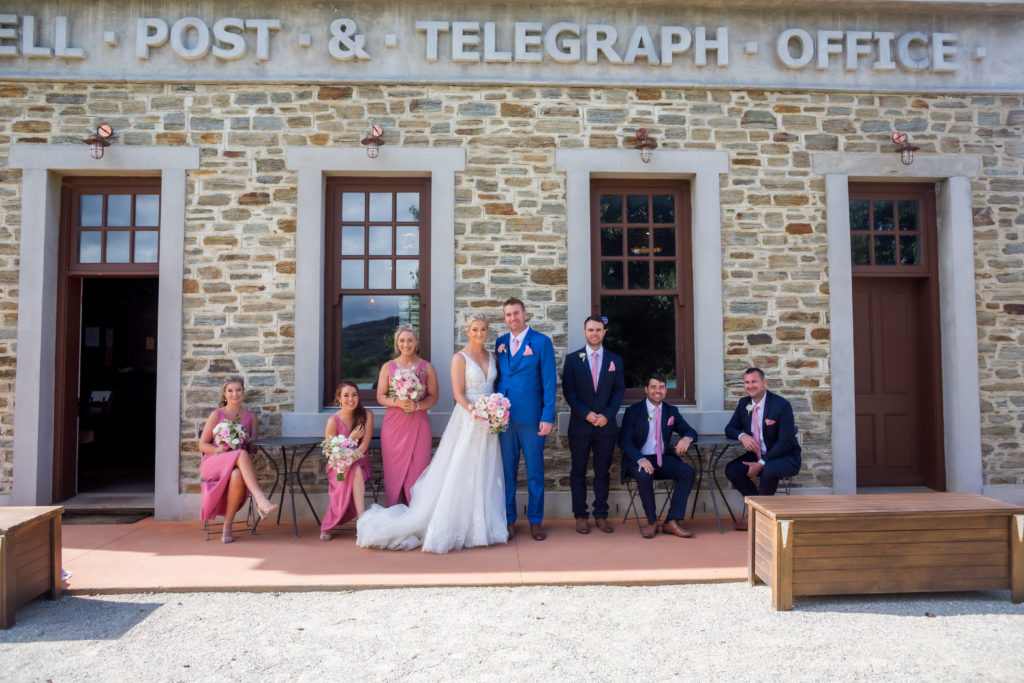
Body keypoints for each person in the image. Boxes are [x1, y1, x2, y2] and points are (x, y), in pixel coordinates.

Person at [356, 314, 508, 554]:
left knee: (484, 469)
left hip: (489, 422)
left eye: (483, 329)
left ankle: (482, 525)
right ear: (467, 331)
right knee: (460, 468)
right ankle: (448, 522)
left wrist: (495, 411)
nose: (480, 333)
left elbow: (489, 388)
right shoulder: (459, 358)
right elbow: (458, 394)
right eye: (475, 329)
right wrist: (477, 413)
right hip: (469, 418)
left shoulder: (493, 357)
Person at [494, 297, 557, 541]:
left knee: (534, 471)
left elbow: (549, 383)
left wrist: (547, 415)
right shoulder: (500, 343)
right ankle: (509, 520)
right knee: (507, 472)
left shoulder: (541, 342)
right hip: (504, 420)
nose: (513, 318)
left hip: (532, 419)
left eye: (516, 313)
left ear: (525, 313)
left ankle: (535, 521)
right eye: (508, 314)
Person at [562, 315, 625, 534]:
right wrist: (586, 414)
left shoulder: (614, 360)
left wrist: (607, 415)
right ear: (584, 332)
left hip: (605, 426)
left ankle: (601, 515)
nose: (594, 334)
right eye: (591, 330)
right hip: (580, 425)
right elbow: (568, 391)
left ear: (604, 332)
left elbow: (619, 391)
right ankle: (580, 515)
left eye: (598, 330)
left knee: (602, 472)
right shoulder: (572, 360)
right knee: (578, 471)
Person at [198, 375, 278, 543]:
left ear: (243, 392)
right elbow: (203, 445)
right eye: (230, 391)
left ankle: (227, 526)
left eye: (238, 390)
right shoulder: (217, 414)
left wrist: (250, 454)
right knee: (240, 454)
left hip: (238, 466)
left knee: (237, 474)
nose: (235, 394)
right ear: (224, 394)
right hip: (214, 462)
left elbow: (252, 448)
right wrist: (220, 450)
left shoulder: (251, 417)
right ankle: (260, 499)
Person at [619, 373, 697, 539]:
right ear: (646, 389)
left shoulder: (671, 411)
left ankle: (672, 520)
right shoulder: (633, 412)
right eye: (653, 387)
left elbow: (690, 430)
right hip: (638, 459)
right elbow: (624, 441)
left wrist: (686, 438)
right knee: (645, 474)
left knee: (687, 472)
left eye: (661, 387)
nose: (657, 391)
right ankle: (652, 521)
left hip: (662, 458)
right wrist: (641, 459)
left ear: (665, 390)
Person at [724, 367, 801, 531]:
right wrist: (742, 436)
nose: (750, 386)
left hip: (785, 457)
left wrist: (762, 462)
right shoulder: (744, 404)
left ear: (764, 382)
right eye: (746, 382)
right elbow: (730, 428)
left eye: (754, 381)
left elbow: (786, 442)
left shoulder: (781, 405)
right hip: (758, 455)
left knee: (769, 470)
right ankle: (760, 513)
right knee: (732, 469)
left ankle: (757, 518)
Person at [375, 325, 440, 507]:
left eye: (410, 340)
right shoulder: (388, 367)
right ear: (397, 343)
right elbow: (380, 396)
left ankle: (416, 512)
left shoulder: (427, 367)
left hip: (419, 422)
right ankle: (395, 511)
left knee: (419, 469)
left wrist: (417, 405)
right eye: (402, 340)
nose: (406, 344)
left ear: (416, 342)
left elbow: (434, 397)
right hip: (394, 425)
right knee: (394, 471)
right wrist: (397, 402)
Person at [319, 381, 374, 542]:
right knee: (348, 474)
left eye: (354, 395)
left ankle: (360, 518)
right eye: (346, 395)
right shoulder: (333, 421)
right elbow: (331, 451)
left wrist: (351, 459)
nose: (351, 399)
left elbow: (364, 444)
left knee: (356, 469)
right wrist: (351, 439)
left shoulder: (367, 415)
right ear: (339, 399)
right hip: (338, 466)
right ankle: (360, 517)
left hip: (360, 461)